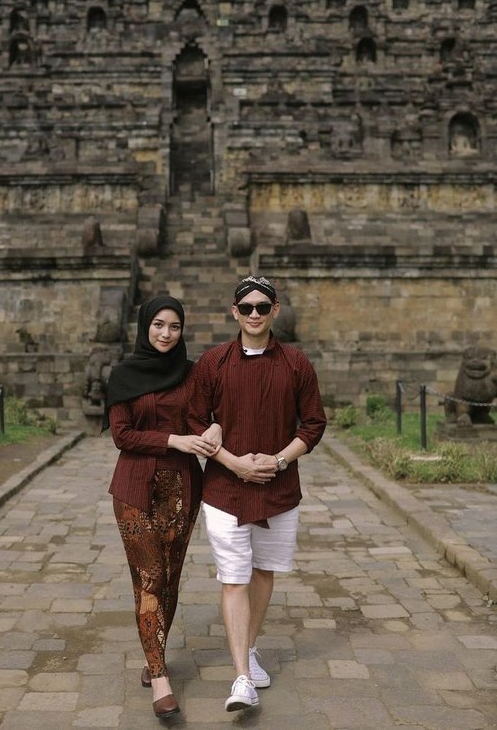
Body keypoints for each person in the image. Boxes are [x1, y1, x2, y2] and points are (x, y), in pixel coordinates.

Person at [187, 275, 327, 712]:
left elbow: (313, 424)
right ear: (234, 312)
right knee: (234, 578)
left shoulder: (296, 363)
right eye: (245, 307)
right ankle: (242, 679)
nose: (253, 315)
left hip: (279, 489)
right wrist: (233, 462)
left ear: (275, 311)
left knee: (265, 572)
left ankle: (248, 649)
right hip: (225, 489)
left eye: (261, 308)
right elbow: (194, 419)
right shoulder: (213, 363)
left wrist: (280, 460)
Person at [105, 294, 222, 719]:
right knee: (150, 577)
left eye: (174, 326)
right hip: (135, 488)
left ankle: (153, 656)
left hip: (182, 488)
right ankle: (160, 678)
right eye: (158, 325)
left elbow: (210, 414)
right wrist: (172, 440)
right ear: (145, 326)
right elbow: (122, 435)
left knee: (169, 579)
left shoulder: (192, 375)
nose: (166, 334)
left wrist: (214, 427)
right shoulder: (122, 375)